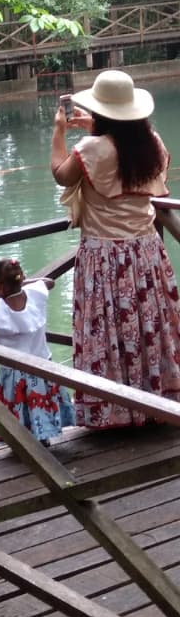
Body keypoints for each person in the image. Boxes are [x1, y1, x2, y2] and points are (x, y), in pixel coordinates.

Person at [51, 69, 180, 428]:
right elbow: (121, 149)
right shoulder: (151, 142)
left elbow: (61, 174)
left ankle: (115, 409)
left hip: (105, 256)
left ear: (102, 112)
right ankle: (158, 399)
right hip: (147, 252)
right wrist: (94, 127)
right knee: (148, 327)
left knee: (107, 329)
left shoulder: (91, 148)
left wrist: (59, 132)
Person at [0, 259, 74, 445]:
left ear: (1, 287)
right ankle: (42, 436)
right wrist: (21, 283)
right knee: (39, 403)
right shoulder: (35, 294)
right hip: (43, 364)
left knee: (19, 406)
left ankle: (23, 443)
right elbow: (49, 282)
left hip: (14, 372)